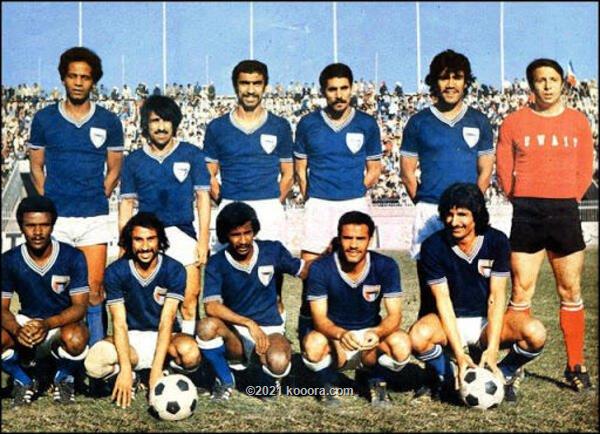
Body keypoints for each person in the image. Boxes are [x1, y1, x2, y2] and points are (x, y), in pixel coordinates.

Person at [496, 58, 594, 392]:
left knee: (570, 291)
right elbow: (503, 168)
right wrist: (521, 198)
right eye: (541, 80)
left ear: (562, 83)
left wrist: (568, 197)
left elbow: (585, 168)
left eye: (553, 79)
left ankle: (575, 365)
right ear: (531, 85)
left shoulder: (578, 121)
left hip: (564, 211)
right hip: (527, 212)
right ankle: (514, 365)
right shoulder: (514, 122)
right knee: (521, 291)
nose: (548, 85)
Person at [409, 183, 547, 403]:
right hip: (450, 322)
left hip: (485, 323)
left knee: (535, 332)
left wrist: (492, 348)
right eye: (449, 214)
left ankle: (504, 373)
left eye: (462, 214)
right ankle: (449, 375)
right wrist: (460, 353)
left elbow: (496, 296)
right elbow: (443, 301)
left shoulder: (497, 241)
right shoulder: (433, 246)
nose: (454, 221)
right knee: (417, 337)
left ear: (477, 214)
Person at [28, 46, 124, 346]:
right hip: (57, 219)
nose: (79, 82)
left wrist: (97, 195)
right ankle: (59, 356)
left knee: (94, 289)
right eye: (73, 76)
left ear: (93, 81)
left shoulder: (109, 121)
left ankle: (95, 358)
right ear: (63, 78)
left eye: (85, 77)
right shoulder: (44, 119)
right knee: (58, 289)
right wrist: (49, 201)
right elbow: (36, 167)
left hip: (93, 217)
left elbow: (114, 169)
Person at [294, 63, 382, 339]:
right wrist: (313, 196)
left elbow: (374, 168)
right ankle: (308, 334)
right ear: (323, 92)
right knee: (311, 271)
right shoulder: (308, 124)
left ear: (352, 88)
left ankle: (361, 331)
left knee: (359, 269)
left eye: (344, 88)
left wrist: (354, 189)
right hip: (319, 204)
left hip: (354, 203)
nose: (339, 95)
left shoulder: (367, 124)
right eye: (332, 89)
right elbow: (300, 169)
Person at [203, 60, 294, 321]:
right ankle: (229, 326)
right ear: (235, 86)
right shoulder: (218, 127)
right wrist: (225, 202)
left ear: (265, 86)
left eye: (256, 83)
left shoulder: (279, 125)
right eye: (245, 83)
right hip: (232, 203)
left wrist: (273, 201)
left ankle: (275, 323)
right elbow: (209, 174)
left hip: (268, 205)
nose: (251, 90)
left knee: (272, 270)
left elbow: (288, 174)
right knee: (227, 269)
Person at [84, 212, 200, 409]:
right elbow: (119, 323)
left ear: (160, 240)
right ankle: (132, 376)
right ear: (130, 242)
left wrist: (155, 370)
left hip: (165, 337)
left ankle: (164, 372)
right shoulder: (115, 271)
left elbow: (166, 321)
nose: (145, 246)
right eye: (138, 239)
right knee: (94, 363)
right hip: (131, 340)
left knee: (190, 353)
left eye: (151, 239)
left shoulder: (174, 269)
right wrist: (125, 369)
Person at [119, 95, 211, 335]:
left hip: (183, 234)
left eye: (166, 120)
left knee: (189, 301)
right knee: (152, 301)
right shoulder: (133, 160)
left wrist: (203, 240)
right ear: (145, 124)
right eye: (155, 121)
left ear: (175, 123)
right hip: (147, 238)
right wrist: (124, 242)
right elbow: (126, 203)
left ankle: (188, 350)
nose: (161, 127)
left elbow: (203, 198)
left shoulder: (192, 154)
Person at [196, 202, 305, 402]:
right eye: (236, 235)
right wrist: (248, 323)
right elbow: (211, 306)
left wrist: (334, 257)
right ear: (225, 235)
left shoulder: (272, 250)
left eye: (247, 233)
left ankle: (263, 376)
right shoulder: (217, 262)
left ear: (254, 230)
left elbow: (304, 271)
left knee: (278, 361)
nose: (243, 240)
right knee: (206, 327)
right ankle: (225, 380)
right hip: (236, 332)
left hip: (270, 329)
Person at [301, 211, 411, 407]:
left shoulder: (386, 265)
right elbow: (319, 319)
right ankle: (327, 382)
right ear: (339, 238)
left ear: (370, 239)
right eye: (347, 238)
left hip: (370, 336)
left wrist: (377, 333)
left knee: (401, 344)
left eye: (360, 239)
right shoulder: (321, 268)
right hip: (336, 337)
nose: (353, 245)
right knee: (313, 345)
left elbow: (395, 315)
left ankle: (376, 380)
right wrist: (340, 334)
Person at [399, 49, 494, 260]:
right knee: (429, 275)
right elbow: (407, 172)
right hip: (430, 211)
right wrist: (424, 203)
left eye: (457, 77)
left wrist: (472, 206)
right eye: (444, 78)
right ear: (434, 81)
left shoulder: (479, 120)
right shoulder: (418, 122)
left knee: (468, 274)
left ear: (466, 82)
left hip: (467, 213)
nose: (451, 84)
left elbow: (486, 171)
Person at [1, 196, 90, 406]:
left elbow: (80, 307)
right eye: (31, 225)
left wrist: (48, 324)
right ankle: (23, 379)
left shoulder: (73, 256)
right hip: (27, 324)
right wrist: (16, 329)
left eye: (44, 225)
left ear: (53, 225)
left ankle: (64, 378)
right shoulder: (9, 259)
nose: (38, 232)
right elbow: (2, 308)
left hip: (59, 325)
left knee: (76, 338)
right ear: (21, 227)